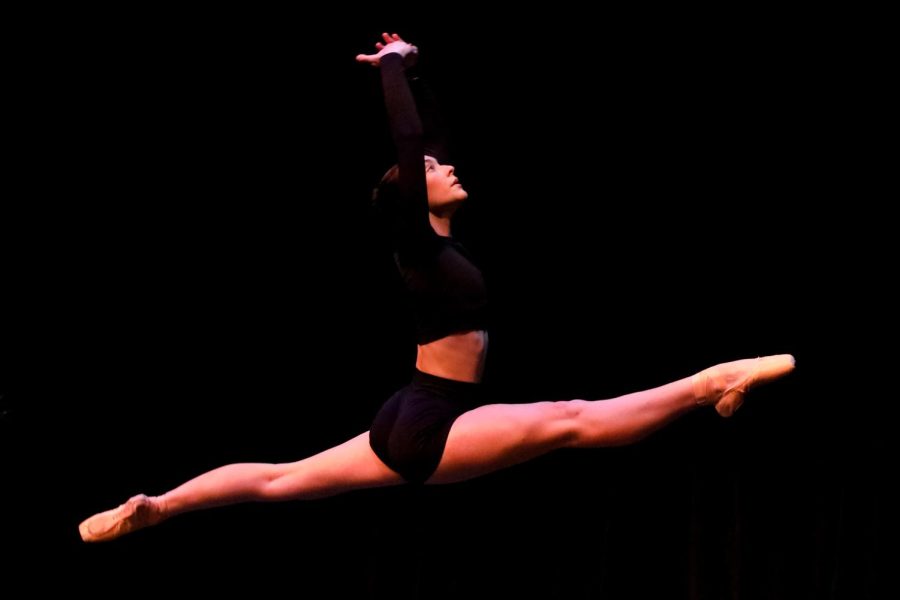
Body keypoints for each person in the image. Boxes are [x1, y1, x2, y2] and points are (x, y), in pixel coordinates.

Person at [78, 33, 795, 543]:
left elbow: (431, 142)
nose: (445, 168)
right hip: (434, 423)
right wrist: (391, 70)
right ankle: (710, 383)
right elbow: (407, 140)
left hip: (413, 409)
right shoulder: (418, 246)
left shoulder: (435, 246)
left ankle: (160, 504)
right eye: (429, 170)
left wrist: (416, 70)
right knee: (575, 419)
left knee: (279, 480)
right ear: (414, 198)